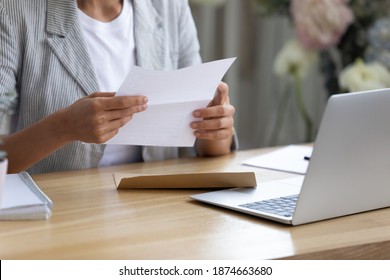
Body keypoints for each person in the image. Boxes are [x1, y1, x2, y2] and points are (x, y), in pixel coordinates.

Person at [0, 0, 237, 174]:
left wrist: (217, 127)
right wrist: (63, 127)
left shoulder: (169, 6)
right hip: (60, 211)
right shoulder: (12, 11)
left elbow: (208, 149)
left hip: (158, 206)